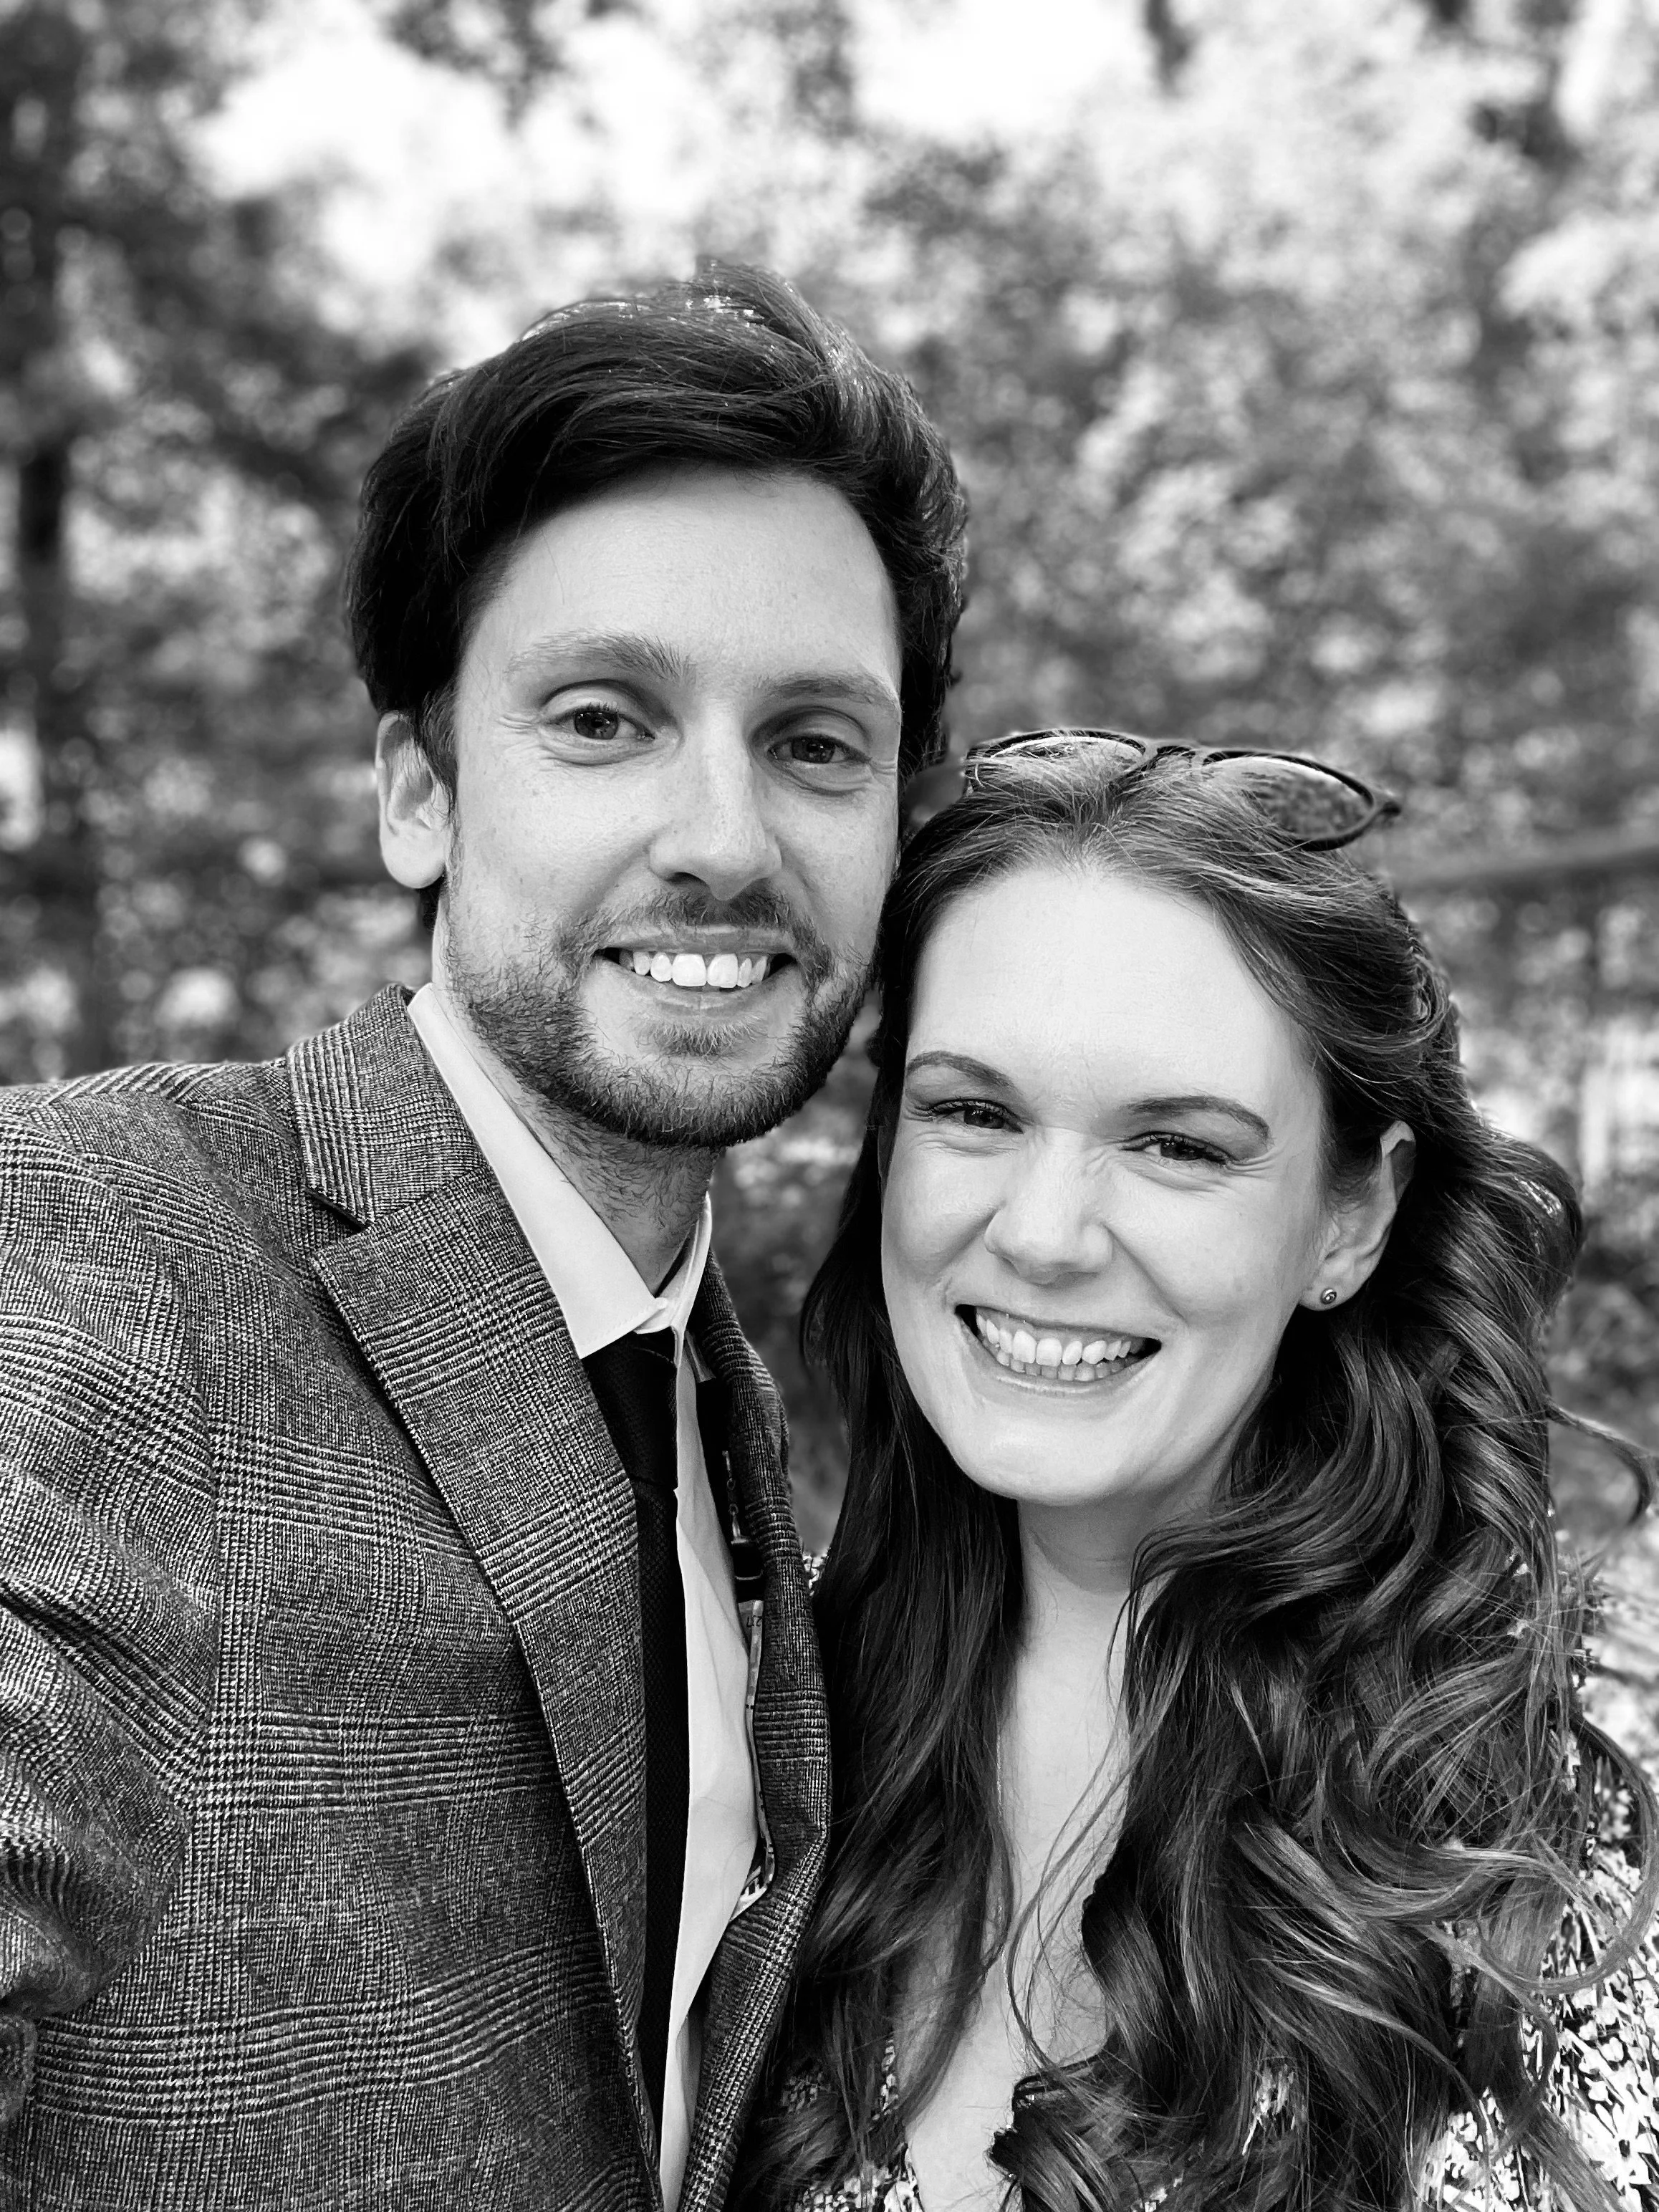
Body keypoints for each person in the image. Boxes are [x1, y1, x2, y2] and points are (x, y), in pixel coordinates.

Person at [0, 261, 967, 2209]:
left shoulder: (733, 1417)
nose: (723, 839)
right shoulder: (93, 1247)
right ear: (418, 793)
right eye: (604, 719)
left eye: (814, 743)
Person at [740, 734, 1659, 2212]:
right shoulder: (741, 1731)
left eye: (1175, 1142)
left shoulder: (1552, 1850)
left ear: (1352, 1218)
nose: (1043, 1233)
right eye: (974, 1111)